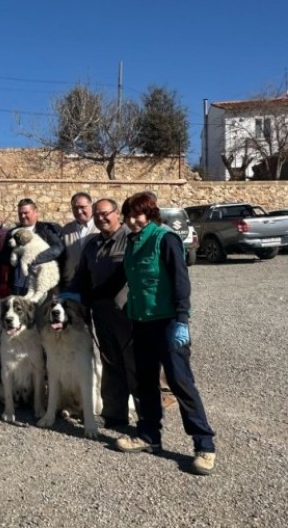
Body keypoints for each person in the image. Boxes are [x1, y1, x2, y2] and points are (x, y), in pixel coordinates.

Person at [115, 191, 217, 475]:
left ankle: (204, 445)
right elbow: (124, 279)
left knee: (180, 382)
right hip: (141, 322)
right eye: (129, 216)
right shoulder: (133, 243)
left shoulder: (165, 239)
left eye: (138, 215)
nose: (133, 221)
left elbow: (181, 282)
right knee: (145, 382)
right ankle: (149, 436)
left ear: (150, 214)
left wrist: (183, 319)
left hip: (168, 323)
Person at [62, 198, 136, 428]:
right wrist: (66, 297)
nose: (101, 218)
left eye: (105, 213)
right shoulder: (92, 245)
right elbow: (80, 278)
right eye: (97, 215)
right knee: (110, 364)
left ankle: (147, 423)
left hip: (128, 315)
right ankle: (114, 415)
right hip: (101, 314)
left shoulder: (131, 240)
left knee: (134, 366)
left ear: (117, 214)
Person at [3, 198, 64, 297]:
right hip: (17, 287)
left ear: (36, 212)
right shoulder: (12, 233)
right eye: (20, 213)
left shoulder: (46, 230)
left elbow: (58, 249)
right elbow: (5, 259)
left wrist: (34, 259)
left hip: (41, 285)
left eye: (26, 213)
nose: (23, 216)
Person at [59, 192, 98, 287]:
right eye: (75, 208)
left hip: (96, 285)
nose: (79, 211)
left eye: (82, 207)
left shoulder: (100, 228)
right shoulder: (66, 230)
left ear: (91, 206)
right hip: (72, 286)